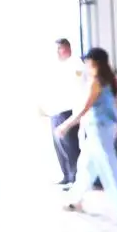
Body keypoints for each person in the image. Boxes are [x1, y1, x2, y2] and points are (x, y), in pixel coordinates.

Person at [58, 48, 117, 222]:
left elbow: (85, 107)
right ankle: (74, 200)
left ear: (93, 62)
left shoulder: (96, 81)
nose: (86, 65)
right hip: (103, 129)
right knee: (87, 166)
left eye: (87, 61)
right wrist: (114, 126)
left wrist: (66, 125)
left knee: (109, 167)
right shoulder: (110, 81)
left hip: (98, 130)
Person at [44, 39, 83, 187]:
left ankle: (75, 178)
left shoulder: (75, 64)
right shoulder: (57, 67)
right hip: (55, 109)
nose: (56, 52)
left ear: (66, 48)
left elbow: (79, 86)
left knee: (70, 144)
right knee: (59, 145)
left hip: (68, 110)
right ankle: (66, 175)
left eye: (59, 49)